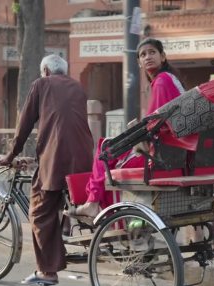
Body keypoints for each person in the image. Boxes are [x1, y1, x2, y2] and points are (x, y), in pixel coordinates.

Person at [0, 54, 94, 286]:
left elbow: (25, 125)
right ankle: (65, 233)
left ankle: (47, 271)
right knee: (67, 201)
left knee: (39, 212)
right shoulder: (78, 87)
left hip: (57, 158)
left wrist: (11, 155)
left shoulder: (41, 84)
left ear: (46, 72)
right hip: (83, 158)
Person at [73, 37, 197, 218]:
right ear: (139, 62)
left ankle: (93, 202)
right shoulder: (170, 79)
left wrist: (136, 133)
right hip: (177, 151)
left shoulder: (162, 81)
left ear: (163, 57)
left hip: (161, 155)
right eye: (143, 55)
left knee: (105, 149)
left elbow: (155, 124)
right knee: (110, 148)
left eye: (152, 52)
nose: (148, 57)